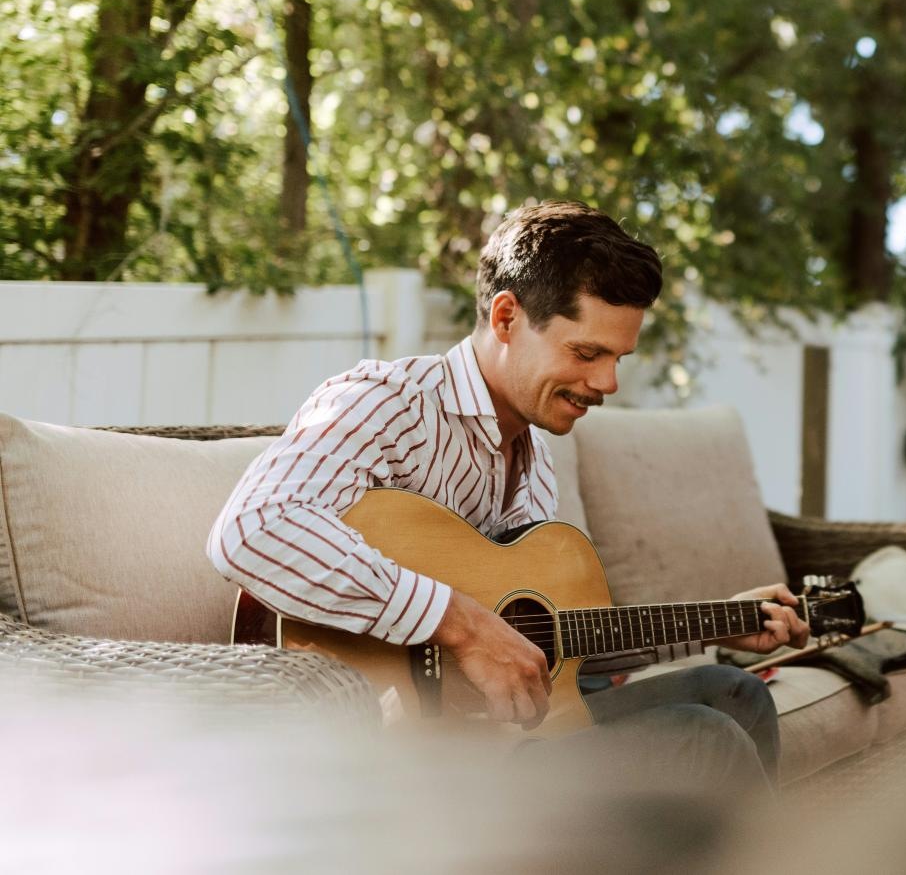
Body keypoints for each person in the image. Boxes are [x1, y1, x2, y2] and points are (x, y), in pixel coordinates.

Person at [207, 202, 806, 789]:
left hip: (497, 746)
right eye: (586, 353)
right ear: (506, 318)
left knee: (736, 694)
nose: (607, 382)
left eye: (618, 358)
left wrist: (715, 625)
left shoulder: (534, 460)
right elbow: (252, 528)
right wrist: (460, 625)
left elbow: (553, 651)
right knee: (702, 738)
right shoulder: (388, 403)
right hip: (381, 754)